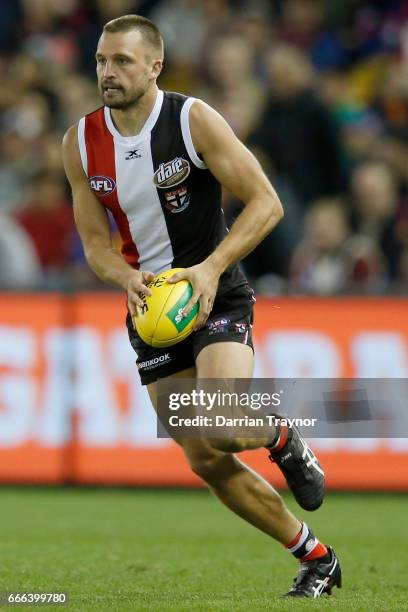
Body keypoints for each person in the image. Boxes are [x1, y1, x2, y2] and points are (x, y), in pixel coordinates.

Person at [62, 15, 341, 598]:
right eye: (100, 61)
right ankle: (316, 557)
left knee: (222, 423)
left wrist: (211, 269)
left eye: (122, 62)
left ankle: (283, 437)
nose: (107, 73)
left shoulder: (191, 121)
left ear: (155, 66)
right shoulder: (80, 142)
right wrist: (126, 277)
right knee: (206, 460)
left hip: (215, 291)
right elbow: (93, 243)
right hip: (152, 313)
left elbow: (267, 203)